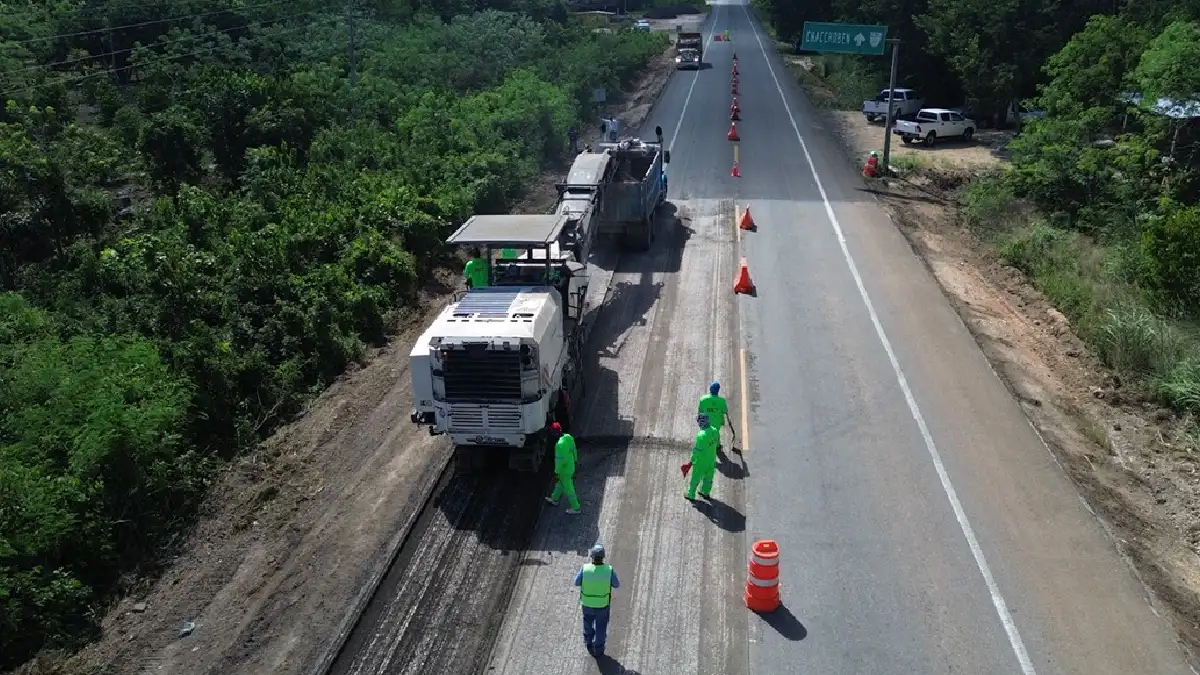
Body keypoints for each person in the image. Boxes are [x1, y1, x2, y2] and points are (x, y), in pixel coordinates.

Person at [575, 542, 620, 656]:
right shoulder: (608, 570)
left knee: (588, 622)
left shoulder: (585, 568)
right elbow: (616, 584)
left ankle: (588, 641)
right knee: (601, 626)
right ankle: (599, 648)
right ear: (603, 557)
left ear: (592, 557)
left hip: (587, 603)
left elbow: (576, 582)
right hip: (602, 604)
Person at [545, 422, 581, 514]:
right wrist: (576, 460)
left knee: (568, 488)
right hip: (570, 465)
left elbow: (559, 461)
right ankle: (554, 499)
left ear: (554, 433)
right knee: (560, 484)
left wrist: (556, 473)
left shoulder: (559, 445)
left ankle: (576, 507)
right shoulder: (568, 437)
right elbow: (574, 449)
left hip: (564, 471)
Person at [685, 413, 720, 500]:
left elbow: (697, 451)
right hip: (711, 460)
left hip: (701, 462)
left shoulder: (701, 435)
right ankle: (705, 492)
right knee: (708, 478)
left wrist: (692, 460)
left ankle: (690, 494)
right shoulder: (715, 430)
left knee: (695, 478)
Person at [698, 381, 732, 450]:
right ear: (718, 390)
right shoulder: (721, 401)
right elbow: (725, 411)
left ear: (710, 389)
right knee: (716, 434)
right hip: (717, 422)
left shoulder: (703, 399)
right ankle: (717, 446)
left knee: (706, 433)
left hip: (705, 421)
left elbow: (700, 411)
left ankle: (705, 445)